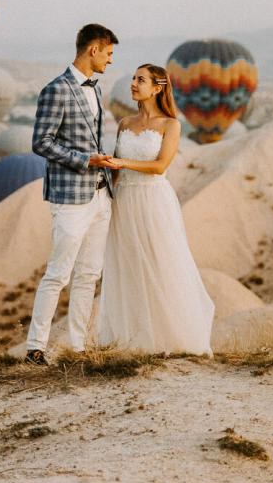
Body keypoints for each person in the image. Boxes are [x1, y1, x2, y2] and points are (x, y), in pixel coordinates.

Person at [97, 63, 214, 355]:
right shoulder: (124, 123)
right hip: (124, 201)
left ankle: (171, 338)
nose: (133, 84)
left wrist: (123, 164)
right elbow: (114, 170)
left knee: (161, 262)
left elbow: (160, 165)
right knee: (128, 267)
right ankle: (132, 340)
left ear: (158, 87)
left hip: (153, 201)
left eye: (140, 80)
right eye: (133, 79)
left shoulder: (170, 125)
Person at [24, 23, 118, 365]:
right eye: (108, 54)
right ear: (93, 50)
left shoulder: (97, 89)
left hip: (100, 196)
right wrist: (84, 160)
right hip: (70, 198)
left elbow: (92, 138)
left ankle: (77, 346)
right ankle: (36, 347)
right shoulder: (56, 90)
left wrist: (107, 165)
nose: (110, 61)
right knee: (59, 273)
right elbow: (41, 142)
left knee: (89, 274)